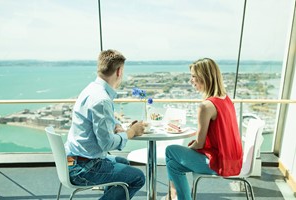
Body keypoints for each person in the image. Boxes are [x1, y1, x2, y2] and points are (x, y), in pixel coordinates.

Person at [65, 49, 146, 200]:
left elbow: (101, 123)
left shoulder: (91, 90)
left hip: (72, 161)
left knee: (123, 162)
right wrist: (131, 132)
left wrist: (117, 127)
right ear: (119, 71)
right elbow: (106, 144)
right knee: (138, 177)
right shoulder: (102, 99)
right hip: (83, 168)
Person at [163, 58, 243, 200]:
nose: (191, 80)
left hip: (220, 162)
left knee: (170, 150)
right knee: (173, 164)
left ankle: (175, 195)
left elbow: (199, 144)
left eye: (194, 76)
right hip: (234, 159)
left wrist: (190, 147)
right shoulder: (225, 99)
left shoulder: (206, 106)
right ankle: (173, 195)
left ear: (204, 77)